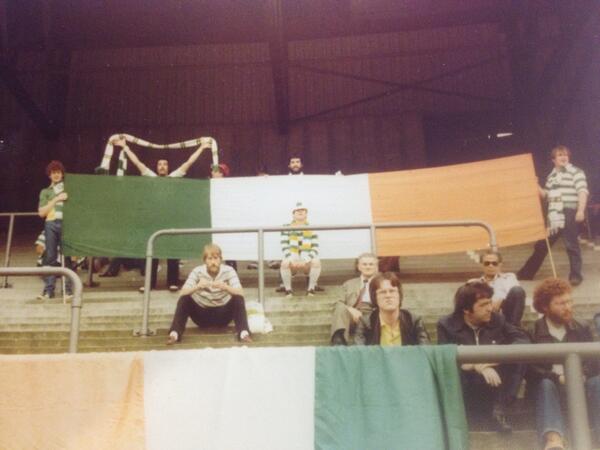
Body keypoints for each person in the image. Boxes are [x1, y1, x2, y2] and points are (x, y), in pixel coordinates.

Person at [437, 281, 530, 433]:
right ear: (466, 309)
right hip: (467, 387)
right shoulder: (446, 325)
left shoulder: (497, 319)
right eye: (483, 305)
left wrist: (492, 360)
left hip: (495, 384)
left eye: (490, 302)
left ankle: (499, 409)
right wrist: (476, 365)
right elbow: (444, 358)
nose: (490, 308)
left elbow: (522, 339)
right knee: (452, 366)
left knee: (519, 357)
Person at [120, 139, 209, 292]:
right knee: (152, 253)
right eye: (160, 164)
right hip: (154, 221)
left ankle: (172, 282)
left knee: (172, 252)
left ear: (168, 167)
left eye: (165, 164)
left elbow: (188, 163)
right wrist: (125, 147)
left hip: (171, 220)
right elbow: (137, 163)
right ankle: (149, 284)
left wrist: (201, 148)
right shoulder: (151, 177)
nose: (162, 166)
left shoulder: (174, 177)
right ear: (157, 167)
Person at [527, 278, 600, 450]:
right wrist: (556, 377)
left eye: (569, 301)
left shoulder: (581, 327)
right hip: (551, 387)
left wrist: (583, 374)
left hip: (581, 383)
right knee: (545, 384)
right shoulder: (533, 331)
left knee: (598, 382)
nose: (568, 307)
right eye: (560, 303)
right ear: (545, 307)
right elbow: (530, 368)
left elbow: (594, 360)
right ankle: (553, 439)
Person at [517, 145, 589, 286]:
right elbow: (546, 195)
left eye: (566, 155)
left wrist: (580, 210)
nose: (564, 157)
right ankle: (526, 273)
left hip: (569, 210)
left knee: (571, 245)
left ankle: (576, 276)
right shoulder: (551, 176)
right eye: (560, 155)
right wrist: (535, 184)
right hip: (554, 214)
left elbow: (582, 191)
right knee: (542, 245)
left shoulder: (576, 172)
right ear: (553, 160)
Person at [166, 243, 252, 345]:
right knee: (185, 299)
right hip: (201, 315)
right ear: (205, 261)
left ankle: (243, 333)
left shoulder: (229, 270)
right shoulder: (197, 271)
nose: (213, 262)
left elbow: (241, 292)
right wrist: (198, 286)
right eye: (210, 259)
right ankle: (175, 334)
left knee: (238, 298)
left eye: (216, 258)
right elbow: (182, 293)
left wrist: (226, 287)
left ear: (221, 259)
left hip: (223, 315)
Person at [355, 272, 430, 346]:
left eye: (392, 291)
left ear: (399, 295)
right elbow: (359, 352)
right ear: (374, 297)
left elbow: (425, 351)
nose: (388, 296)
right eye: (382, 292)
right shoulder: (366, 323)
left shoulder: (413, 321)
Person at [37, 160, 73, 300]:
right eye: (53, 173)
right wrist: (56, 199)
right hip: (51, 224)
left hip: (66, 224)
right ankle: (48, 291)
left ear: (62, 174)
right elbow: (42, 213)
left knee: (67, 257)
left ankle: (67, 291)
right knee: (50, 257)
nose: (56, 175)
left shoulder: (68, 189)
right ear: (49, 175)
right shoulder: (45, 192)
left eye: (58, 172)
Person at [330, 253, 379, 345]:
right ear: (359, 267)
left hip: (373, 314)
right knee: (340, 307)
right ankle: (339, 341)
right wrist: (350, 309)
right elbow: (338, 302)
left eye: (371, 264)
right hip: (353, 316)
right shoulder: (349, 284)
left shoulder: (382, 282)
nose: (368, 267)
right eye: (364, 264)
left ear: (376, 267)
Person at [470, 250, 526, 326]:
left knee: (517, 290)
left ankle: (512, 328)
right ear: (482, 265)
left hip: (506, 315)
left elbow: (516, 296)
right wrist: (490, 304)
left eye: (494, 263)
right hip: (485, 314)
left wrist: (501, 300)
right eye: (487, 263)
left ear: (500, 265)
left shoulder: (509, 278)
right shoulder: (475, 283)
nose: (490, 266)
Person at [280, 201, 321, 297]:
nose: (300, 211)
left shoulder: (312, 227)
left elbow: (315, 248)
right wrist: (291, 259)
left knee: (316, 262)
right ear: (293, 214)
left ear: (306, 214)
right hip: (293, 260)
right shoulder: (286, 227)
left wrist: (305, 260)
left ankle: (311, 289)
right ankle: (288, 290)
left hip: (306, 262)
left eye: (303, 210)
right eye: (297, 210)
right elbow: (284, 246)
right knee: (285, 263)